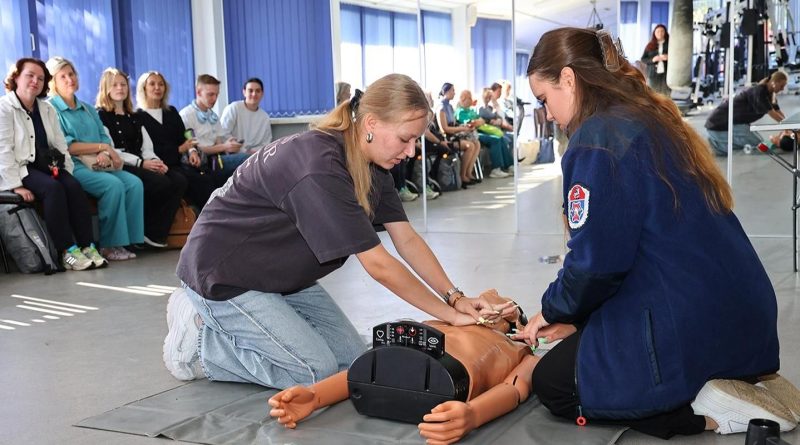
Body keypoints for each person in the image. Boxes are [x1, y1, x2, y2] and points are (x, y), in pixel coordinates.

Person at [517, 27, 799, 439]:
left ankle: (712, 414)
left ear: (568, 79)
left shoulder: (596, 141)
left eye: (544, 99)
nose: (548, 114)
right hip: (738, 312)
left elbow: (597, 264)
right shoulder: (651, 118)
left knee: (555, 385)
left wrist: (554, 310)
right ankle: (737, 382)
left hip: (686, 316)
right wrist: (576, 319)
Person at [163, 74, 511, 389]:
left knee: (350, 363)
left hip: (280, 277)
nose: (409, 152)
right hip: (224, 275)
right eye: (406, 139)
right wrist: (450, 316)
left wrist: (455, 297)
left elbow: (406, 239)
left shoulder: (374, 166)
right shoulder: (320, 166)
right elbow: (379, 266)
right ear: (372, 123)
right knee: (313, 372)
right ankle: (198, 341)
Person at [268, 289, 533, 444]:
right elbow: (368, 371)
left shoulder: (521, 350)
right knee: (388, 362)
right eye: (487, 301)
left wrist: (475, 414)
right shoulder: (442, 322)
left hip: (452, 380)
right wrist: (315, 396)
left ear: (518, 323)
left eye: (508, 309)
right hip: (414, 369)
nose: (493, 309)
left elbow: (515, 388)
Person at [0, 57, 101, 271]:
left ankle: (87, 246)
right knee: (53, 189)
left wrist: (68, 172)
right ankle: (67, 251)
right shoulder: (4, 108)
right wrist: (15, 185)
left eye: (40, 78)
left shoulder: (46, 109)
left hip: (48, 165)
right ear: (16, 77)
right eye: (30, 76)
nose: (35, 81)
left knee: (73, 186)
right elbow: (3, 151)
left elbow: (60, 144)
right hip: (21, 169)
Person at [46, 56, 144, 262]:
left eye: (71, 74)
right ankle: (109, 245)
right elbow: (68, 146)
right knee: (113, 185)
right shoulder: (51, 109)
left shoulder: (88, 109)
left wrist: (104, 152)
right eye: (62, 76)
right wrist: (102, 148)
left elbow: (102, 136)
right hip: (76, 165)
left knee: (134, 183)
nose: (69, 79)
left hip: (99, 162)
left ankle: (129, 241)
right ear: (53, 82)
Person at [96, 68, 186, 248]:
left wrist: (156, 162)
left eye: (123, 84)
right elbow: (112, 149)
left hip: (142, 161)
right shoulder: (102, 115)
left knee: (179, 180)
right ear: (106, 88)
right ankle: (144, 230)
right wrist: (142, 163)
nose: (120, 88)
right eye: (115, 85)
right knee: (160, 183)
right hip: (122, 163)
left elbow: (146, 146)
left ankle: (155, 233)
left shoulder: (134, 116)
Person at [135, 71, 224, 209]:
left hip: (179, 162)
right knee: (195, 182)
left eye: (161, 84)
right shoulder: (138, 116)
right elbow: (147, 149)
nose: (157, 88)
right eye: (152, 84)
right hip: (160, 164)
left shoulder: (171, 111)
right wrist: (179, 149)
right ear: (143, 88)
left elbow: (185, 134)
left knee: (211, 177)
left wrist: (192, 151)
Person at [179, 74, 248, 178]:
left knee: (243, 169)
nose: (215, 98)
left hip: (217, 158)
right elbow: (195, 148)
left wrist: (228, 145)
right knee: (247, 159)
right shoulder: (186, 115)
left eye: (217, 94)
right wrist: (224, 146)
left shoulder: (213, 116)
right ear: (198, 92)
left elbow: (218, 142)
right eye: (210, 94)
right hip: (203, 161)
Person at [705, 71, 787, 155]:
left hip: (736, 123)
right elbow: (773, 113)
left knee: (758, 144)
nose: (782, 89)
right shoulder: (760, 92)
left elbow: (778, 111)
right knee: (759, 146)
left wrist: (791, 125)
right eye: (781, 86)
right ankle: (713, 146)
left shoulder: (770, 94)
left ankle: (716, 144)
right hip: (717, 123)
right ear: (774, 83)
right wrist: (788, 127)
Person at [455, 89, 514, 179]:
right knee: (495, 140)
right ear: (463, 99)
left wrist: (478, 122)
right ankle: (495, 169)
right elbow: (470, 125)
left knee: (500, 138)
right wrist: (477, 122)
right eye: (469, 98)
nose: (471, 100)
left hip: (478, 131)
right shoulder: (460, 111)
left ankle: (509, 165)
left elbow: (481, 120)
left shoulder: (470, 110)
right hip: (471, 134)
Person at [436, 83, 480, 185]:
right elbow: (444, 129)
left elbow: (454, 124)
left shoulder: (450, 107)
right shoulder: (441, 108)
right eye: (453, 91)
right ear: (446, 92)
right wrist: (460, 129)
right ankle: (462, 175)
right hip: (447, 139)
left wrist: (464, 127)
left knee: (476, 143)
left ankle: (468, 173)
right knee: (470, 146)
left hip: (454, 135)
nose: (454, 93)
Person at [220, 77, 273, 154]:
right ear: (244, 92)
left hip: (255, 155)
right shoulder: (234, 108)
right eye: (250, 91)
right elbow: (223, 133)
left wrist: (253, 152)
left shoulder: (264, 117)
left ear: (262, 94)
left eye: (257, 91)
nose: (254, 94)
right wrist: (243, 151)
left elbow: (266, 143)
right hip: (233, 154)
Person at [641, 24, 671, 96]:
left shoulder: (670, 44)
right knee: (653, 95)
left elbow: (677, 57)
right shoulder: (650, 45)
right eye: (658, 32)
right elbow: (643, 59)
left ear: (665, 33)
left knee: (666, 95)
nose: (660, 33)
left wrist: (669, 57)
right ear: (654, 33)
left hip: (667, 74)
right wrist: (653, 59)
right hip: (652, 75)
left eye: (662, 31)